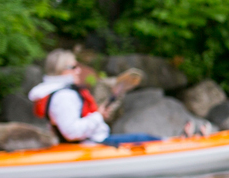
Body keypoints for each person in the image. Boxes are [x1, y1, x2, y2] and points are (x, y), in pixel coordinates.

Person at [28, 49, 159, 146]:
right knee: (144, 139)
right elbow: (72, 132)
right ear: (60, 69)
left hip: (88, 142)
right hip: (90, 144)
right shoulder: (63, 96)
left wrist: (98, 114)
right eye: (73, 67)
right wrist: (98, 117)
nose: (78, 70)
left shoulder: (58, 92)